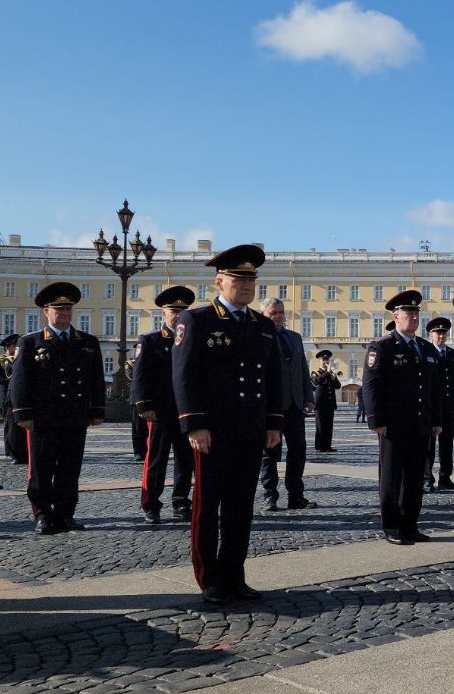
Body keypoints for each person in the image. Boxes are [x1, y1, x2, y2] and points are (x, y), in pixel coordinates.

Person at [174, 245, 284, 605]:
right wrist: (194, 425)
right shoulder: (197, 321)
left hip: (249, 431)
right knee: (207, 506)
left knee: (240, 507)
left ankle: (235, 574)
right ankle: (210, 579)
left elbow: (272, 379)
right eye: (240, 278)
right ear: (220, 281)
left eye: (252, 279)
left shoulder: (263, 326)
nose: (248, 285)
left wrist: (272, 424)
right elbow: (185, 376)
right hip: (213, 432)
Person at [9, 283, 106, 534]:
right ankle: (41, 514)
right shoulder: (31, 342)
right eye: (59, 309)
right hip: (44, 417)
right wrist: (23, 413)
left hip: (74, 415)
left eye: (68, 309)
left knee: (69, 467)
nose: (64, 314)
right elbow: (20, 380)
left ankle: (65, 514)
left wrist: (96, 410)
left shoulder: (87, 342)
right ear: (46, 312)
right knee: (42, 468)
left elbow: (96, 377)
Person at [362, 290, 442, 545]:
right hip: (394, 425)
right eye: (409, 313)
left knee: (415, 477)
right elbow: (371, 386)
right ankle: (392, 525)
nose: (414, 317)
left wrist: (437, 419)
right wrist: (376, 420)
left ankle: (410, 523)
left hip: (420, 423)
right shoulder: (383, 347)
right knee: (392, 476)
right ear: (396, 316)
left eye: (417, 313)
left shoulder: (427, 349)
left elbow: (434, 389)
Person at [130, 286, 196, 524]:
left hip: (185, 411)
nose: (177, 315)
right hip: (159, 411)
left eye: (182, 310)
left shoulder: (192, 339)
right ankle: (151, 504)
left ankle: (180, 500)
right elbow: (140, 375)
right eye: (173, 310)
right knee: (156, 459)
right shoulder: (151, 340)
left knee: (185, 460)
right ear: (163, 314)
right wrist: (143, 405)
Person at [257, 298, 316, 512]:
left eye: (281, 312)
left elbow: (302, 368)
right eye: (273, 313)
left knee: (298, 451)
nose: (278, 316)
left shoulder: (295, 337)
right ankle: (269, 495)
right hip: (271, 406)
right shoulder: (258, 337)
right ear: (263, 314)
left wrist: (309, 397)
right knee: (270, 453)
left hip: (294, 404)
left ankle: (296, 495)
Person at [423, 317, 454, 491]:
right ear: (431, 335)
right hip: (431, 406)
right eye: (438, 333)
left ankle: (445, 477)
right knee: (429, 445)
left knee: (447, 445)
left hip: (447, 406)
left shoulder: (453, 354)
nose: (441, 336)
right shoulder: (426, 352)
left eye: (444, 333)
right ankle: (427, 478)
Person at [0, 333, 27, 464]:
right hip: (6, 395)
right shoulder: (0, 360)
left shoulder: (19, 358)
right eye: (14, 345)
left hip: (18, 395)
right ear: (9, 347)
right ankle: (11, 450)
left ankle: (20, 451)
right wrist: (11, 381)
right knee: (9, 425)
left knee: (19, 426)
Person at [311, 350, 341, 452]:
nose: (325, 361)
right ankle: (319, 446)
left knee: (329, 426)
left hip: (330, 404)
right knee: (320, 426)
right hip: (320, 404)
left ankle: (327, 445)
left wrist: (333, 375)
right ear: (320, 361)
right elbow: (317, 382)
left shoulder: (330, 373)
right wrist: (328, 372)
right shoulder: (315, 372)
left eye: (327, 359)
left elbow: (338, 386)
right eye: (323, 359)